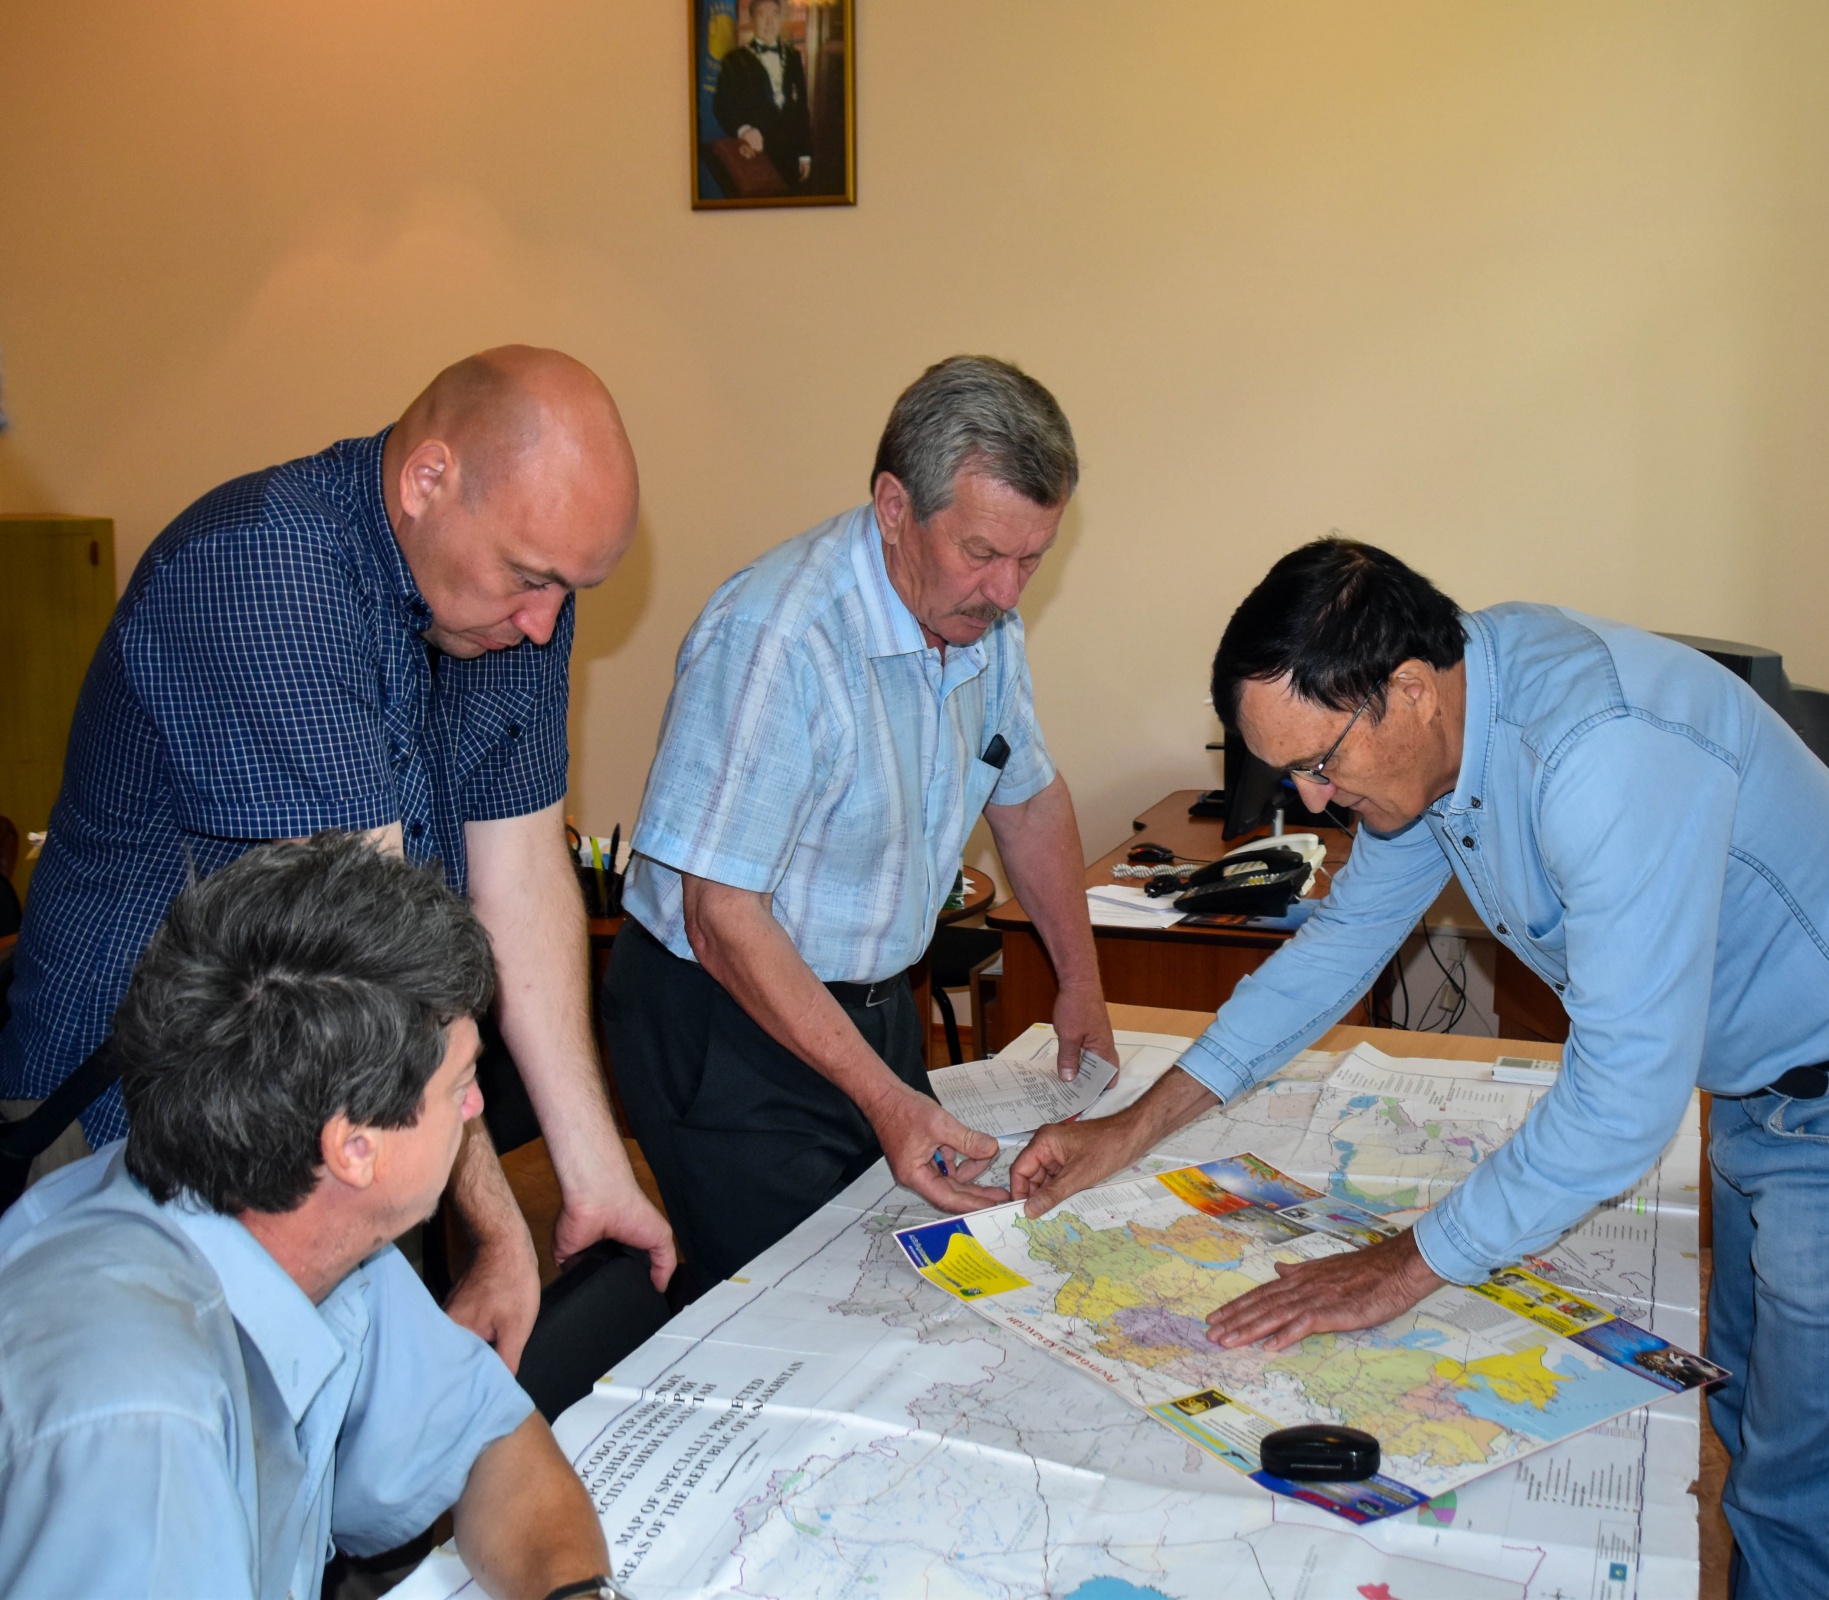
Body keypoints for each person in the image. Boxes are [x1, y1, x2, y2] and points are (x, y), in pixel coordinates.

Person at [1012, 539, 1829, 1600]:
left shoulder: (1598, 756)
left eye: (1320, 763)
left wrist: (1401, 1268)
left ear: (1411, 689)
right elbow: (1336, 950)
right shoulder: (1450, 726)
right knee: (1748, 1412)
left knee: (1804, 1496)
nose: (1314, 803)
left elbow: (1621, 1104)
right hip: (1754, 1085)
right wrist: (1131, 1127)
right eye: (1289, 775)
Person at [0, 346, 676, 1368]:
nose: (544, 623)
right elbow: (376, 960)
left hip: (331, 1108)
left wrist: (595, 1173)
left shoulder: (507, 607)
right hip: (131, 1131)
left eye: (569, 588)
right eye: (532, 578)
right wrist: (499, 1230)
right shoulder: (267, 571)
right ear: (427, 480)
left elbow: (523, 870)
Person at [0, 836, 620, 1600]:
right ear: (355, 1148)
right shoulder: (137, 1421)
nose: (476, 1107)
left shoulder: (304, 1224)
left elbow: (489, 1444)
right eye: (461, 1084)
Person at [607, 355, 1114, 1281]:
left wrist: (1080, 979)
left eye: (1031, 559)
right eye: (982, 554)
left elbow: (1028, 796)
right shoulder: (778, 638)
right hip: (727, 1018)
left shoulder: (981, 623)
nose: (1008, 593)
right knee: (802, 1298)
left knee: (930, 1271)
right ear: (893, 507)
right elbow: (721, 918)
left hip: (873, 1008)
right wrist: (886, 1100)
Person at [713, 0, 813, 191]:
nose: (769, 22)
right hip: (756, 156)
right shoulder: (734, 60)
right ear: (751, 20)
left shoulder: (793, 57)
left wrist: (805, 154)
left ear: (780, 18)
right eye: (762, 15)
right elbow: (721, 105)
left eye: (774, 14)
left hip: (791, 158)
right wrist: (744, 130)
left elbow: (801, 110)